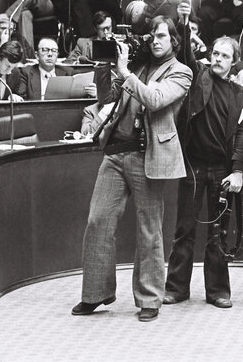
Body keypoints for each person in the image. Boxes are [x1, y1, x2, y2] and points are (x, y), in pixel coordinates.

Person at [71, 16, 192, 323]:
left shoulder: (181, 72)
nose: (155, 40)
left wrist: (126, 73)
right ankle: (95, 293)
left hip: (146, 155)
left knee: (148, 229)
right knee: (98, 220)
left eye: (162, 35)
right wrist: (104, 67)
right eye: (152, 35)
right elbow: (107, 99)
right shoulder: (136, 66)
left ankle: (149, 298)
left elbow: (155, 100)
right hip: (115, 153)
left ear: (174, 41)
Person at [163, 28, 243, 309]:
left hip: (221, 171)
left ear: (234, 61)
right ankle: (176, 289)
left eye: (225, 56)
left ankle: (217, 291)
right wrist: (185, 23)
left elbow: (240, 134)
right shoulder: (198, 76)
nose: (218, 59)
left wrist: (237, 170)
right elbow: (186, 52)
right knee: (184, 230)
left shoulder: (240, 95)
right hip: (193, 167)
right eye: (215, 53)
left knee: (219, 235)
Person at [19, 37, 96, 100]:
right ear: (37, 55)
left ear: (57, 56)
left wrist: (93, 93)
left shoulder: (68, 72)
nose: (50, 54)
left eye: (54, 51)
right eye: (45, 50)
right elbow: (22, 100)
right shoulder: (26, 73)